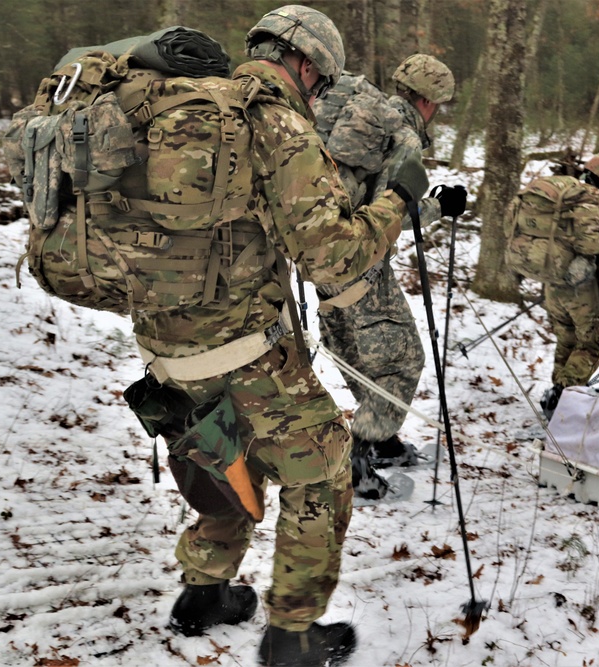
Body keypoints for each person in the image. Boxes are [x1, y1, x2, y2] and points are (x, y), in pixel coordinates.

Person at [138, 7, 427, 665]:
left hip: (163, 349)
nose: (317, 95)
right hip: (244, 350)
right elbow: (333, 259)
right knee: (322, 468)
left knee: (222, 451)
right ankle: (293, 633)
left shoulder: (180, 112)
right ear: (304, 63)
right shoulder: (277, 125)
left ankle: (204, 591)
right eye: (320, 84)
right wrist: (399, 199)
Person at [311, 54, 466, 501]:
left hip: (320, 256)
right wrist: (442, 206)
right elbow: (393, 212)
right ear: (428, 100)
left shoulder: (357, 119)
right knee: (402, 362)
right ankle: (356, 459)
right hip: (361, 265)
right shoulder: (402, 137)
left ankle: (382, 439)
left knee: (360, 355)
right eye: (439, 103)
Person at [512, 154, 599, 419]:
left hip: (553, 287)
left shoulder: (563, 201)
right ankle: (564, 397)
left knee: (567, 339)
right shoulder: (596, 208)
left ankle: (557, 390)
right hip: (584, 292)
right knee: (594, 341)